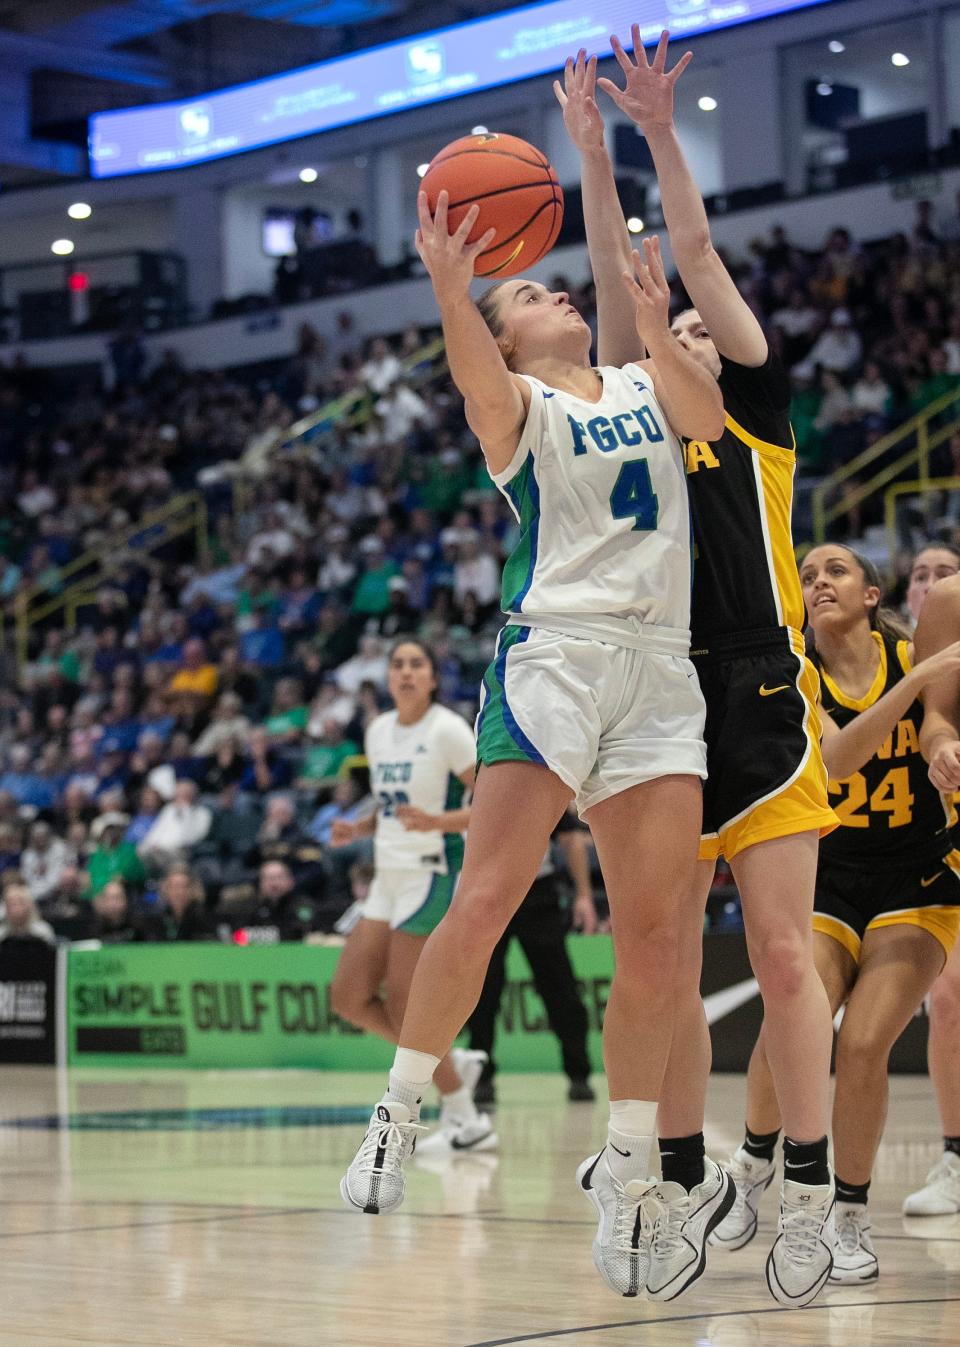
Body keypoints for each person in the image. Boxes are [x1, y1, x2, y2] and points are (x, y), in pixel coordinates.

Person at [339, 163, 725, 1309]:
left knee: (658, 940)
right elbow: (471, 378)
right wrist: (459, 295)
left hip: (662, 670)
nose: (555, 294)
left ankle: (632, 1164)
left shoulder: (641, 378)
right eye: (532, 297)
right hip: (553, 653)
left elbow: (705, 423)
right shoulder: (520, 405)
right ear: (508, 339)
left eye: (558, 289)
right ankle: (402, 1109)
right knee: (490, 893)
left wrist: (655, 324)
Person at [564, 33, 837, 1305]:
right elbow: (623, 291)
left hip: (768, 695)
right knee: (661, 960)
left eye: (695, 330)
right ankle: (673, 1181)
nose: (676, 329)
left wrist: (664, 134)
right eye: (664, 332)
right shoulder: (643, 433)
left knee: (785, 961)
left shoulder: (759, 419)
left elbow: (695, 263)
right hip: (665, 698)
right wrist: (589, 153)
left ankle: (810, 1195)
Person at [713, 545, 960, 1282]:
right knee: (797, 1014)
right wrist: (914, 681)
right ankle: (757, 1159)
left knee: (862, 1045)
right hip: (826, 873)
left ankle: (849, 1215)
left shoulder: (916, 653)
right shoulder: (796, 667)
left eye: (836, 572)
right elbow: (839, 758)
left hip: (917, 874)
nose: (818, 581)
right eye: (808, 574)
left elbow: (938, 726)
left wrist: (939, 732)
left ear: (872, 592)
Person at [330, 637, 493, 1154]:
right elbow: (392, 804)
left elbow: (491, 803)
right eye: (397, 664)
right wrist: (358, 829)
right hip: (387, 874)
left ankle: (467, 1122)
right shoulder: (378, 731)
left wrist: (437, 821)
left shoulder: (447, 730)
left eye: (416, 664)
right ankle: (444, 1057)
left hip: (432, 872)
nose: (405, 673)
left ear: (433, 677)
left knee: (406, 1006)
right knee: (349, 997)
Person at [902, 571, 960, 1215]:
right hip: (932, 833)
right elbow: (937, 717)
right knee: (951, 996)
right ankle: (957, 1154)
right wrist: (941, 745)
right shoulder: (950, 604)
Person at [469, 811, 596, 1104]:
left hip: (537, 892)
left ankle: (579, 1074)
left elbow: (572, 840)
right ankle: (481, 1077)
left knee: (561, 987)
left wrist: (584, 896)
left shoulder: (537, 773)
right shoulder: (466, 786)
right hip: (485, 891)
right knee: (482, 993)